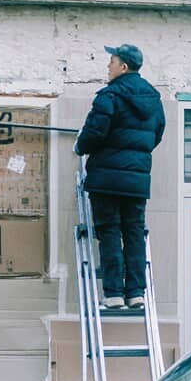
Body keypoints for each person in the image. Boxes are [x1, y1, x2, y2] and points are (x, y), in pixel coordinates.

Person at [74, 44, 165, 309]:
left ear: (123, 67)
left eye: (111, 61)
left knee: (110, 231)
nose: (108, 66)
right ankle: (136, 292)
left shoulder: (109, 96)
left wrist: (80, 146)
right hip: (137, 180)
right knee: (134, 231)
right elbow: (156, 135)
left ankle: (113, 293)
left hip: (106, 179)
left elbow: (93, 134)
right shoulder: (153, 99)